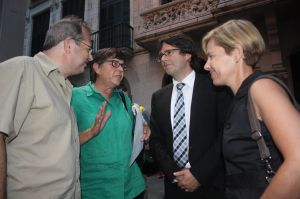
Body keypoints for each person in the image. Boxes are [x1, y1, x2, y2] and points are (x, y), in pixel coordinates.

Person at [0, 17, 110, 198]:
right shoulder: (23, 69)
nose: (91, 57)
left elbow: (53, 144)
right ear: (68, 45)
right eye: (88, 49)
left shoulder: (65, 88)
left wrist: (91, 132)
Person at [202, 19, 300, 199]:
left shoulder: (261, 88)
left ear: (237, 53)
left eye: (211, 56)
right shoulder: (239, 97)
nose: (206, 65)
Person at [149, 34, 230, 199]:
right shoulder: (158, 97)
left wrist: (198, 174)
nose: (163, 59)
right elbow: (156, 141)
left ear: (187, 55)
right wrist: (175, 174)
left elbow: (225, 134)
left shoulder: (215, 87)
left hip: (211, 185)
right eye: (161, 55)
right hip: (175, 187)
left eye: (168, 52)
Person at [71, 48, 146, 199]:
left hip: (132, 187)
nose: (120, 70)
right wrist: (90, 132)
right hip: (96, 190)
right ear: (97, 67)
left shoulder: (124, 99)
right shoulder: (75, 97)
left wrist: (143, 127)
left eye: (122, 66)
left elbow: (133, 131)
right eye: (114, 63)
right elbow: (59, 143)